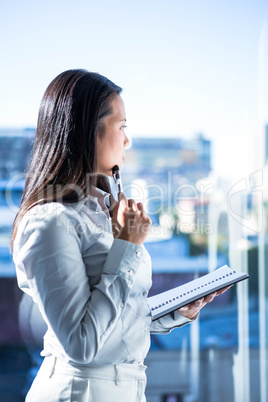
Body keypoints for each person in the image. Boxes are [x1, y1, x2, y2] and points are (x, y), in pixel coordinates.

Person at [11, 69, 227, 402]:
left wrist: (176, 312)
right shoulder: (49, 223)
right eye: (122, 126)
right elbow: (82, 343)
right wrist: (126, 245)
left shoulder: (99, 212)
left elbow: (115, 318)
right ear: (84, 132)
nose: (127, 140)